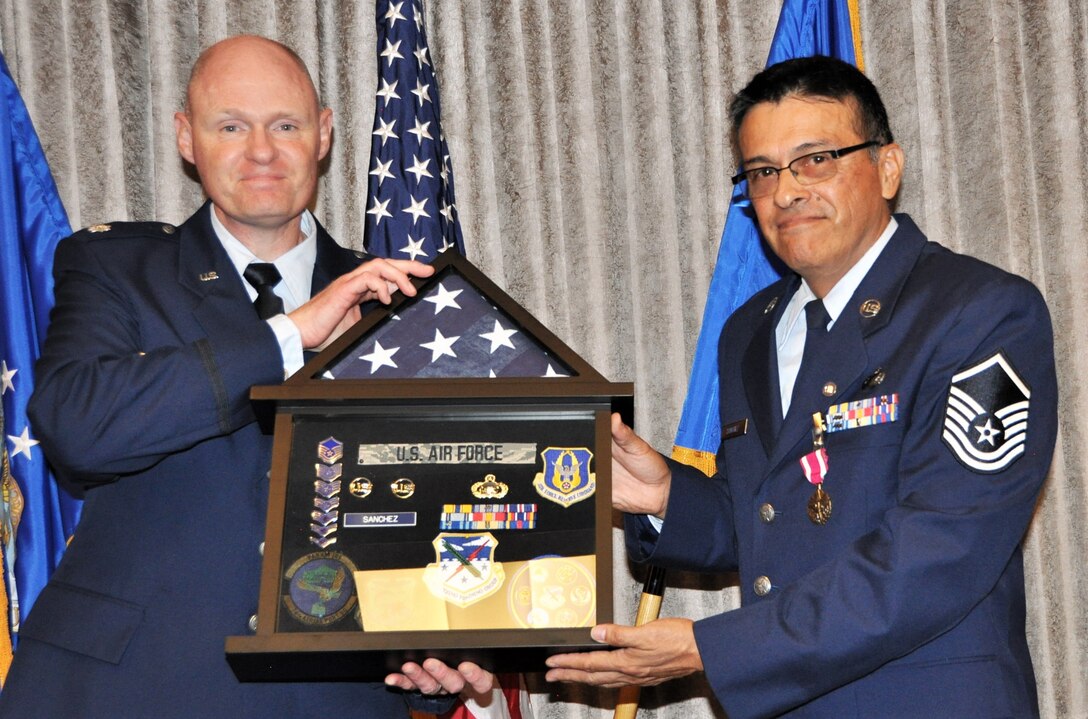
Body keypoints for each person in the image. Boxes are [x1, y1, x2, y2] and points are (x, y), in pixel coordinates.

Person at [545, 56, 1056, 718]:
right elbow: (775, 516)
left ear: (888, 167)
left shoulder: (979, 310)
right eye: (762, 172)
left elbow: (941, 551)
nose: (784, 192)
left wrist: (714, 647)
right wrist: (670, 497)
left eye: (815, 160)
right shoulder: (750, 333)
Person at [0, 35, 490, 718]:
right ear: (186, 137)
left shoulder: (404, 307)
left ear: (322, 134)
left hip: (331, 698)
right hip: (128, 688)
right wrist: (291, 335)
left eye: (285, 124)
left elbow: (433, 509)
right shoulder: (115, 268)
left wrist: (435, 660)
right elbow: (79, 428)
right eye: (231, 125)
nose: (261, 150)